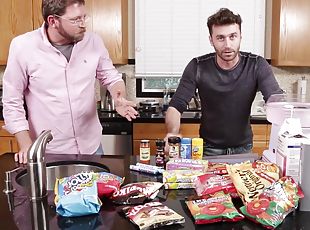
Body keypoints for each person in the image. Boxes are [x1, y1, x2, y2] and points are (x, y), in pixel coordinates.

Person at [2, 0, 138, 164]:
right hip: (48, 151)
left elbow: (112, 77)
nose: (83, 24)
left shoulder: (93, 42)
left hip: (91, 148)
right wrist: (25, 145)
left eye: (84, 17)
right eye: (75, 20)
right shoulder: (23, 46)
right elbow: (12, 101)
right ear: (53, 21)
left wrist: (119, 98)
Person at [165, 8, 283, 156]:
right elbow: (176, 106)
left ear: (240, 36)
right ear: (211, 40)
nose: (227, 44)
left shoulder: (257, 65)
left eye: (233, 36)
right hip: (208, 150)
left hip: (244, 149)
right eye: (220, 38)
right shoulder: (197, 66)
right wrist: (172, 133)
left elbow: (277, 101)